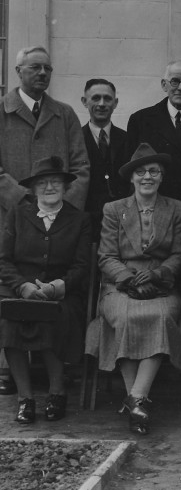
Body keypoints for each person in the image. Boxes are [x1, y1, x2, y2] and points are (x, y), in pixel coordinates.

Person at [0, 45, 90, 396]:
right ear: (19, 71)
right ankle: (11, 374)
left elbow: (81, 168)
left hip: (58, 223)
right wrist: (26, 202)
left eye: (47, 69)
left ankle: (57, 376)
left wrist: (58, 208)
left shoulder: (64, 114)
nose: (42, 74)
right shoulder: (2, 112)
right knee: (14, 289)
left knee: (56, 296)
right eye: (35, 68)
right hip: (11, 219)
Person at [84, 143, 181, 435]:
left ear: (161, 176)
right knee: (127, 316)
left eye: (153, 171)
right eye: (141, 172)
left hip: (161, 287)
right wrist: (128, 279)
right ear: (131, 178)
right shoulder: (114, 209)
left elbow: (180, 255)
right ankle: (139, 402)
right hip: (119, 287)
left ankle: (135, 399)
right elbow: (106, 256)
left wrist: (155, 275)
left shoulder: (178, 209)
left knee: (160, 316)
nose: (147, 177)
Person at [0, 156, 91, 423]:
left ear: (65, 187)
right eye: (43, 183)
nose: (49, 187)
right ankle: (25, 399)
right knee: (9, 321)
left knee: (53, 318)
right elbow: (3, 260)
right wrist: (22, 286)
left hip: (62, 292)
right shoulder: (18, 214)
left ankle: (56, 393)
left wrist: (57, 286)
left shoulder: (79, 219)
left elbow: (82, 266)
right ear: (33, 189)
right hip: (21, 291)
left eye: (55, 182)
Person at [126, 59, 181, 202]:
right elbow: (131, 170)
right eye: (175, 81)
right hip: (155, 205)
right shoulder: (140, 120)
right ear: (164, 85)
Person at [80, 78, 130, 240]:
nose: (101, 104)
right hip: (85, 223)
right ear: (84, 102)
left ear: (115, 103)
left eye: (107, 99)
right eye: (95, 98)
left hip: (121, 224)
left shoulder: (127, 139)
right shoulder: (74, 140)